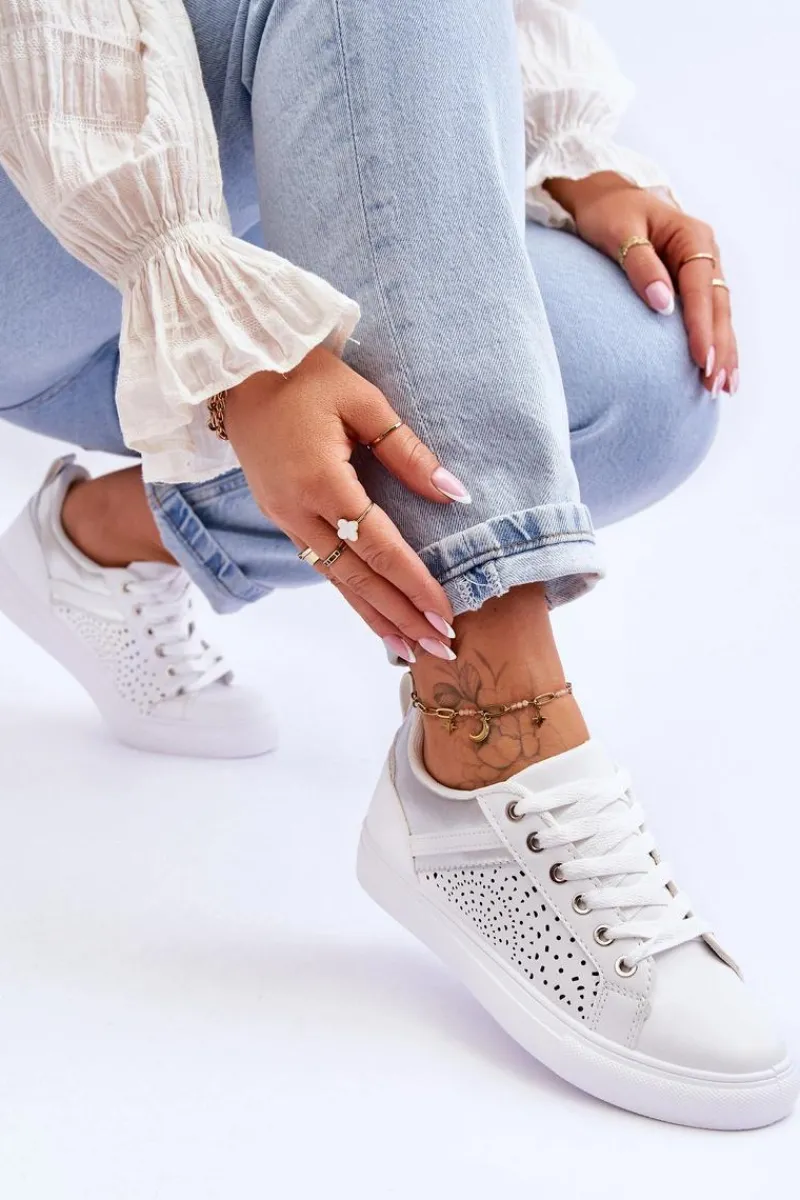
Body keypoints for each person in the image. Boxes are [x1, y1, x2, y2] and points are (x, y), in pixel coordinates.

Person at [0, 0, 794, 1129]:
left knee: (639, 390)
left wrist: (570, 150)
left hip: (231, 149)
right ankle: (486, 736)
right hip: (45, 187)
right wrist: (240, 346)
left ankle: (100, 538)